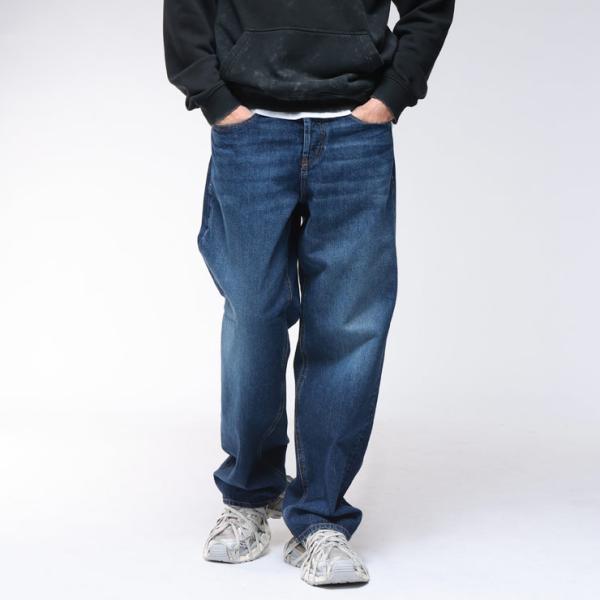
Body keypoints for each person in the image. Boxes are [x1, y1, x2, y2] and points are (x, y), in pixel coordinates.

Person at [164, 0, 454, 586]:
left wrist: (392, 94)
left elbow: (430, 6)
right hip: (251, 133)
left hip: (354, 133)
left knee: (348, 327)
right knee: (254, 316)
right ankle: (249, 495)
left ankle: (321, 516)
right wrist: (214, 98)